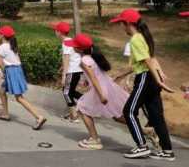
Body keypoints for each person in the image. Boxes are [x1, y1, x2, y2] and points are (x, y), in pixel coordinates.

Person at [111, 9, 175, 161]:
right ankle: (167, 151)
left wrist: (158, 78)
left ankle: (142, 146)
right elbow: (151, 58)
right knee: (156, 116)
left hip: (146, 78)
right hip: (151, 78)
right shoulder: (143, 37)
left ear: (128, 24)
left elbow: (147, 60)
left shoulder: (135, 39)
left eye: (122, 23)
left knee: (129, 111)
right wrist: (159, 74)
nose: (122, 27)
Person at [63, 34, 129, 150]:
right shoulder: (93, 57)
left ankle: (95, 139)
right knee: (117, 115)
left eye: (74, 46)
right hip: (108, 87)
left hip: (100, 89)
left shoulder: (83, 60)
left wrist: (101, 95)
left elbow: (93, 77)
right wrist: (87, 82)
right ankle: (145, 131)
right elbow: (95, 75)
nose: (72, 47)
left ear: (79, 49)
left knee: (82, 108)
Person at [0, 26, 47, 130]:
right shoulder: (12, 45)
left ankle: (39, 117)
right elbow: (11, 61)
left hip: (12, 72)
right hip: (15, 70)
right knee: (2, 89)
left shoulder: (2, 47)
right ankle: (5, 114)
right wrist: (4, 72)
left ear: (3, 35)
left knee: (19, 98)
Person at [52, 21, 83, 123]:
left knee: (66, 93)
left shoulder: (66, 42)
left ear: (59, 32)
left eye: (55, 30)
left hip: (72, 71)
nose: (54, 32)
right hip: (77, 70)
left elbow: (66, 58)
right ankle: (85, 102)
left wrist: (64, 75)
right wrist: (62, 67)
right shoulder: (70, 40)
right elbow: (72, 56)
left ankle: (74, 116)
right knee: (71, 92)